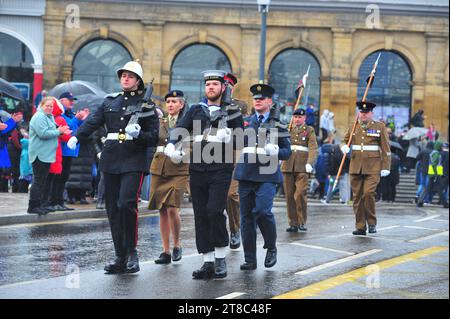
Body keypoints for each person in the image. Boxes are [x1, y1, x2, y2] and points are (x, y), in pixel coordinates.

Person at [67, 60, 159, 274]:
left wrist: (140, 134)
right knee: (113, 209)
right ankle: (120, 256)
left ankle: (132, 252)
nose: (125, 79)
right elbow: (93, 122)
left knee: (127, 203)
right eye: (123, 75)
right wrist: (76, 137)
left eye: (130, 76)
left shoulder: (147, 106)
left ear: (138, 81)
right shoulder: (110, 102)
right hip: (111, 159)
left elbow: (153, 137)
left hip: (133, 159)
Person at [164, 70, 244, 279]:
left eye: (215, 84)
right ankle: (207, 261)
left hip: (221, 168)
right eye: (208, 84)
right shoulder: (196, 110)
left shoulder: (232, 111)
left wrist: (230, 138)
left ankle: (220, 258)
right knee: (200, 214)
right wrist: (172, 145)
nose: (211, 88)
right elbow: (180, 128)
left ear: (222, 88)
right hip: (198, 168)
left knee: (214, 211)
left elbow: (243, 139)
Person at [234, 83, 291, 271]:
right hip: (246, 173)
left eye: (262, 99)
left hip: (267, 175)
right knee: (246, 219)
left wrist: (276, 151)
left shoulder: (279, 124)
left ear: (270, 101)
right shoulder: (245, 122)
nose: (257, 101)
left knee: (262, 212)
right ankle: (250, 258)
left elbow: (287, 152)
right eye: (255, 98)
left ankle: (271, 247)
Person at [150, 90, 189, 264]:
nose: (171, 105)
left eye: (174, 101)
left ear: (181, 104)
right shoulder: (161, 121)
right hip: (160, 167)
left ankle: (177, 244)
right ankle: (165, 251)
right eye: (168, 102)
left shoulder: (188, 122)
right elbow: (153, 139)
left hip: (179, 168)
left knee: (173, 208)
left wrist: (183, 152)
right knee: (162, 209)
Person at [341, 101, 391, 235]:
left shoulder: (379, 127)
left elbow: (386, 149)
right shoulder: (353, 126)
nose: (363, 115)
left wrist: (386, 166)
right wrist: (343, 147)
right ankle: (360, 226)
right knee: (357, 197)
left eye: (366, 112)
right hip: (356, 166)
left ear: (371, 113)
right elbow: (344, 141)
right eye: (361, 112)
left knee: (368, 194)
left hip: (373, 167)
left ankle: (372, 223)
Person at [28, 97, 71, 215]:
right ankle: (33, 206)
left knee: (42, 182)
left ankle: (40, 205)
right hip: (39, 154)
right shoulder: (39, 117)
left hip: (47, 155)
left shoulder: (49, 117)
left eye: (51, 106)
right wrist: (59, 131)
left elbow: (52, 129)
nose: (49, 108)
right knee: (38, 181)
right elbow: (43, 133)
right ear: (41, 105)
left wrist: (62, 130)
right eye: (47, 105)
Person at [281, 107, 317, 232]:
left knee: (300, 194)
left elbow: (313, 148)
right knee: (289, 196)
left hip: (302, 166)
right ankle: (293, 223)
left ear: (304, 118)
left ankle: (302, 221)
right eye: (295, 117)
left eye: (300, 117)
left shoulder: (309, 130)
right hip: (287, 165)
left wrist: (310, 162)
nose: (297, 119)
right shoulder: (287, 128)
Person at [223, 72, 248, 250]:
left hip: (233, 153)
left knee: (231, 194)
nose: (225, 88)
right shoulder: (206, 106)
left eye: (228, 86)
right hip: (210, 155)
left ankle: (235, 229)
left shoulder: (239, 106)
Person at [0, 112, 23, 192]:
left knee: (6, 171)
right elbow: (5, 131)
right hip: (8, 149)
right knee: (6, 171)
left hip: (5, 147)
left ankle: (4, 189)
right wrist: (12, 121)